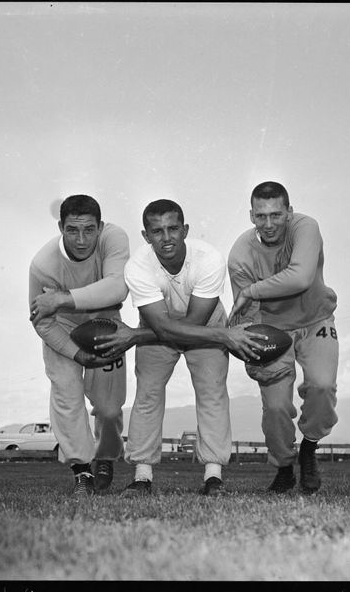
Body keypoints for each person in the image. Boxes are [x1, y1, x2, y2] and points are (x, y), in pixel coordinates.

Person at [93, 199, 267, 496]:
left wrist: (135, 336)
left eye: (173, 228)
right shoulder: (137, 267)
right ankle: (142, 476)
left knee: (212, 394)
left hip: (205, 321)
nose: (166, 237)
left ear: (185, 230)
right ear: (146, 236)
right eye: (157, 231)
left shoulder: (209, 259)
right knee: (147, 393)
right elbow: (163, 328)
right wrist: (225, 337)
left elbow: (195, 325)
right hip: (158, 325)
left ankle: (213, 477)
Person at [227, 181, 339, 494]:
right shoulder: (240, 255)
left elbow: (301, 277)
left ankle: (309, 447)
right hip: (273, 328)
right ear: (251, 216)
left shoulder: (305, 227)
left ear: (289, 211)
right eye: (261, 216)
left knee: (322, 385)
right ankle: (285, 466)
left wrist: (253, 290)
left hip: (315, 319)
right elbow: (244, 317)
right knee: (275, 407)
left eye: (276, 214)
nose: (269, 223)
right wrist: (250, 354)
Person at [28, 194, 130, 497]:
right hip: (62, 327)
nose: (82, 239)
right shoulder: (43, 264)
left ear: (100, 226)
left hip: (104, 323)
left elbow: (117, 287)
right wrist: (76, 353)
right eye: (73, 230)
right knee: (67, 396)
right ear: (61, 227)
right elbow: (41, 320)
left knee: (109, 409)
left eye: (89, 229)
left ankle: (106, 458)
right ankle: (81, 470)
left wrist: (61, 297)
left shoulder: (114, 237)